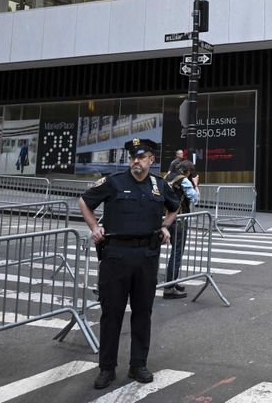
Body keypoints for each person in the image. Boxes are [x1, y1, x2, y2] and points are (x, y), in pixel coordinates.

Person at [79, 138, 180, 390]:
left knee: (143, 312)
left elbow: (174, 208)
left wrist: (165, 227)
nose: (136, 160)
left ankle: (138, 365)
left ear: (151, 160)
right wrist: (94, 227)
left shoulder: (159, 185)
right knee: (111, 313)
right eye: (133, 157)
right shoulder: (114, 182)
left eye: (142, 156)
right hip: (116, 255)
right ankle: (107, 368)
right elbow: (84, 201)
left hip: (146, 255)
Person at [163, 159, 200, 299]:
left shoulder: (167, 177)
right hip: (179, 220)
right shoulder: (184, 181)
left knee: (173, 252)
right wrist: (195, 184)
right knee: (177, 253)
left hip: (165, 220)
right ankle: (169, 288)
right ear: (188, 171)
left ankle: (172, 281)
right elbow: (195, 198)